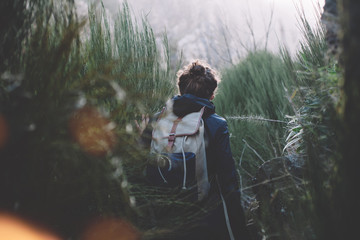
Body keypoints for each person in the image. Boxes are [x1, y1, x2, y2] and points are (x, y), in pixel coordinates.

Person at [141, 60, 251, 240]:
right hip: (205, 219)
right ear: (211, 96)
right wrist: (239, 230)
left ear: (180, 91)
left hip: (163, 217)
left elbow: (141, 166)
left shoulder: (157, 120)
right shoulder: (216, 124)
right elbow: (228, 182)